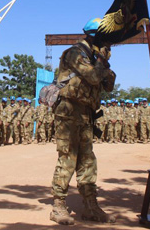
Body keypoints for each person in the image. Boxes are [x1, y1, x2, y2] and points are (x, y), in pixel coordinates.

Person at [50, 18, 116, 225]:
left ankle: (90, 206)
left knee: (88, 161)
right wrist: (102, 65)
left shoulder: (95, 57)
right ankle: (58, 205)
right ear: (94, 35)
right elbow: (94, 77)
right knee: (68, 158)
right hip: (69, 111)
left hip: (87, 113)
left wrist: (104, 65)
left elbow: (108, 85)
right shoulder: (75, 53)